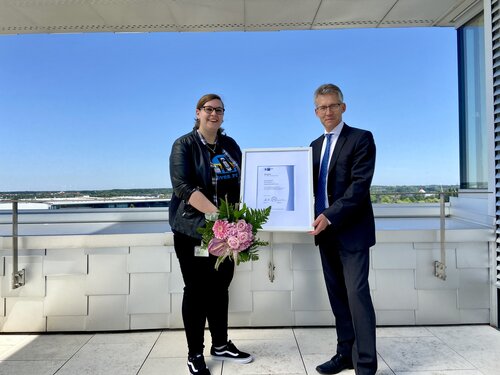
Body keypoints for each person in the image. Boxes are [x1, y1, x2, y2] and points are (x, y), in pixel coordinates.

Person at [169, 93, 253, 375]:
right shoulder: (184, 145)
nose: (214, 114)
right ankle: (195, 353)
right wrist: (217, 217)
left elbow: (246, 181)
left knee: (220, 287)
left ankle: (220, 344)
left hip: (227, 233)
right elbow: (183, 186)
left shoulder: (230, 145)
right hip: (194, 230)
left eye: (219, 110)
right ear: (198, 113)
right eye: (208, 109)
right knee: (196, 290)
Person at [309, 84, 377, 375]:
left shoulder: (361, 138)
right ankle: (344, 354)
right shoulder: (313, 146)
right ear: (316, 111)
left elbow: (359, 186)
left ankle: (365, 364)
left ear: (343, 107)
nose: (328, 111)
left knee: (357, 295)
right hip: (324, 233)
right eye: (322, 107)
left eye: (333, 105)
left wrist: (329, 215)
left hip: (352, 231)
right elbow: (307, 188)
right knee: (337, 296)